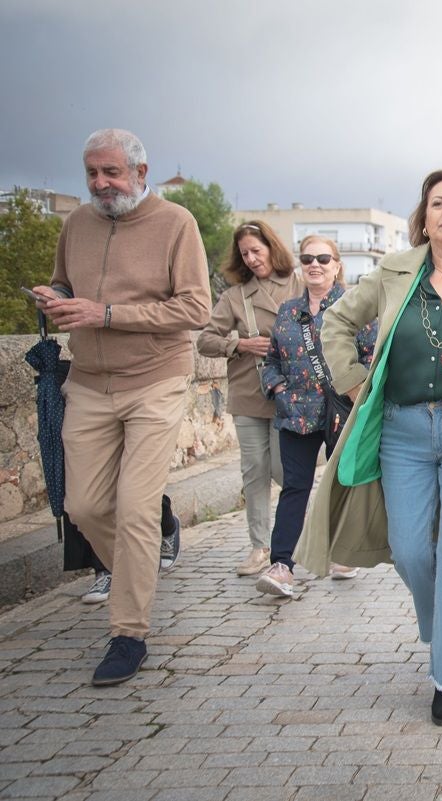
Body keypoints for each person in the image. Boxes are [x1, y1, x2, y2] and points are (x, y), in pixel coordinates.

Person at [294, 168, 442, 727]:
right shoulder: (392, 272)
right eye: (438, 204)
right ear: (424, 218)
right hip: (400, 432)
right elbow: (335, 321)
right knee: (408, 550)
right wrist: (353, 381)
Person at [33, 128, 211, 686]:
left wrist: (106, 314)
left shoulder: (176, 223)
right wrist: (55, 300)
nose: (100, 184)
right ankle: (144, 559)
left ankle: (128, 633)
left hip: (154, 379)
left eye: (111, 173)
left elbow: (196, 308)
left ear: (140, 172)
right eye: (91, 173)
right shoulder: (76, 224)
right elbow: (67, 286)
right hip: (87, 382)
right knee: (82, 507)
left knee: (134, 508)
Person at [257, 235, 376, 598]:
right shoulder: (287, 311)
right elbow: (271, 357)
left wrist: (357, 395)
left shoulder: (354, 307)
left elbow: (371, 356)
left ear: (337, 265)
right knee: (295, 486)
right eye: (308, 258)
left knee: (345, 481)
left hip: (339, 410)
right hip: (296, 413)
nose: (315, 265)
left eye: (324, 258)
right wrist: (276, 386)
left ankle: (343, 553)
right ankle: (281, 565)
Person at [197, 221, 304, 577]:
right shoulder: (235, 296)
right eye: (245, 253)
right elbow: (205, 340)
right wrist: (239, 344)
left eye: (257, 250)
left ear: (272, 247)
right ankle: (260, 547)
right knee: (253, 470)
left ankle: (294, 534)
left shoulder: (299, 283)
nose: (252, 258)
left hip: (291, 393)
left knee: (283, 470)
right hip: (247, 392)